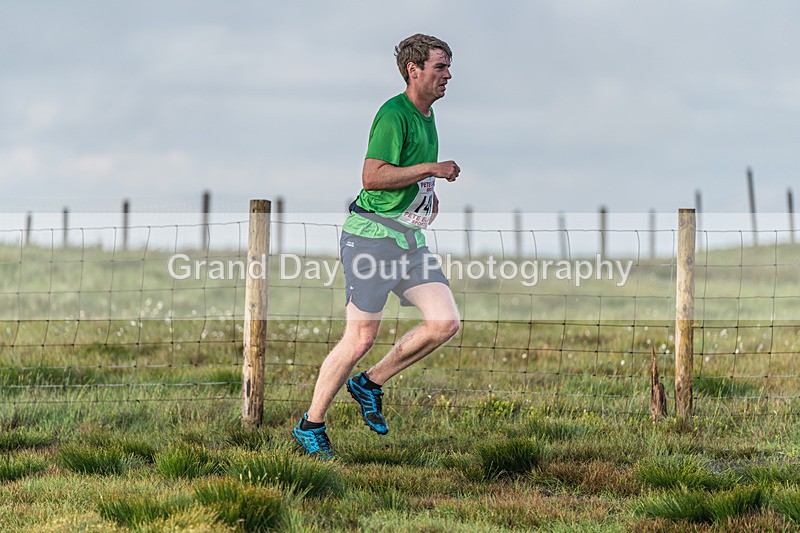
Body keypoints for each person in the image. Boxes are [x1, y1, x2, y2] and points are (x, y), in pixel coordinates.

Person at [292, 34, 461, 459]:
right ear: (414, 70)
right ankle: (310, 424)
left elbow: (404, 177)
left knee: (444, 322)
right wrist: (432, 169)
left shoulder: (427, 115)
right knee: (360, 337)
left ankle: (369, 383)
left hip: (408, 239)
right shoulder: (394, 114)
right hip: (370, 239)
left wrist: (426, 196)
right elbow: (373, 176)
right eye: (440, 67)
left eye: (448, 66)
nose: (448, 75)